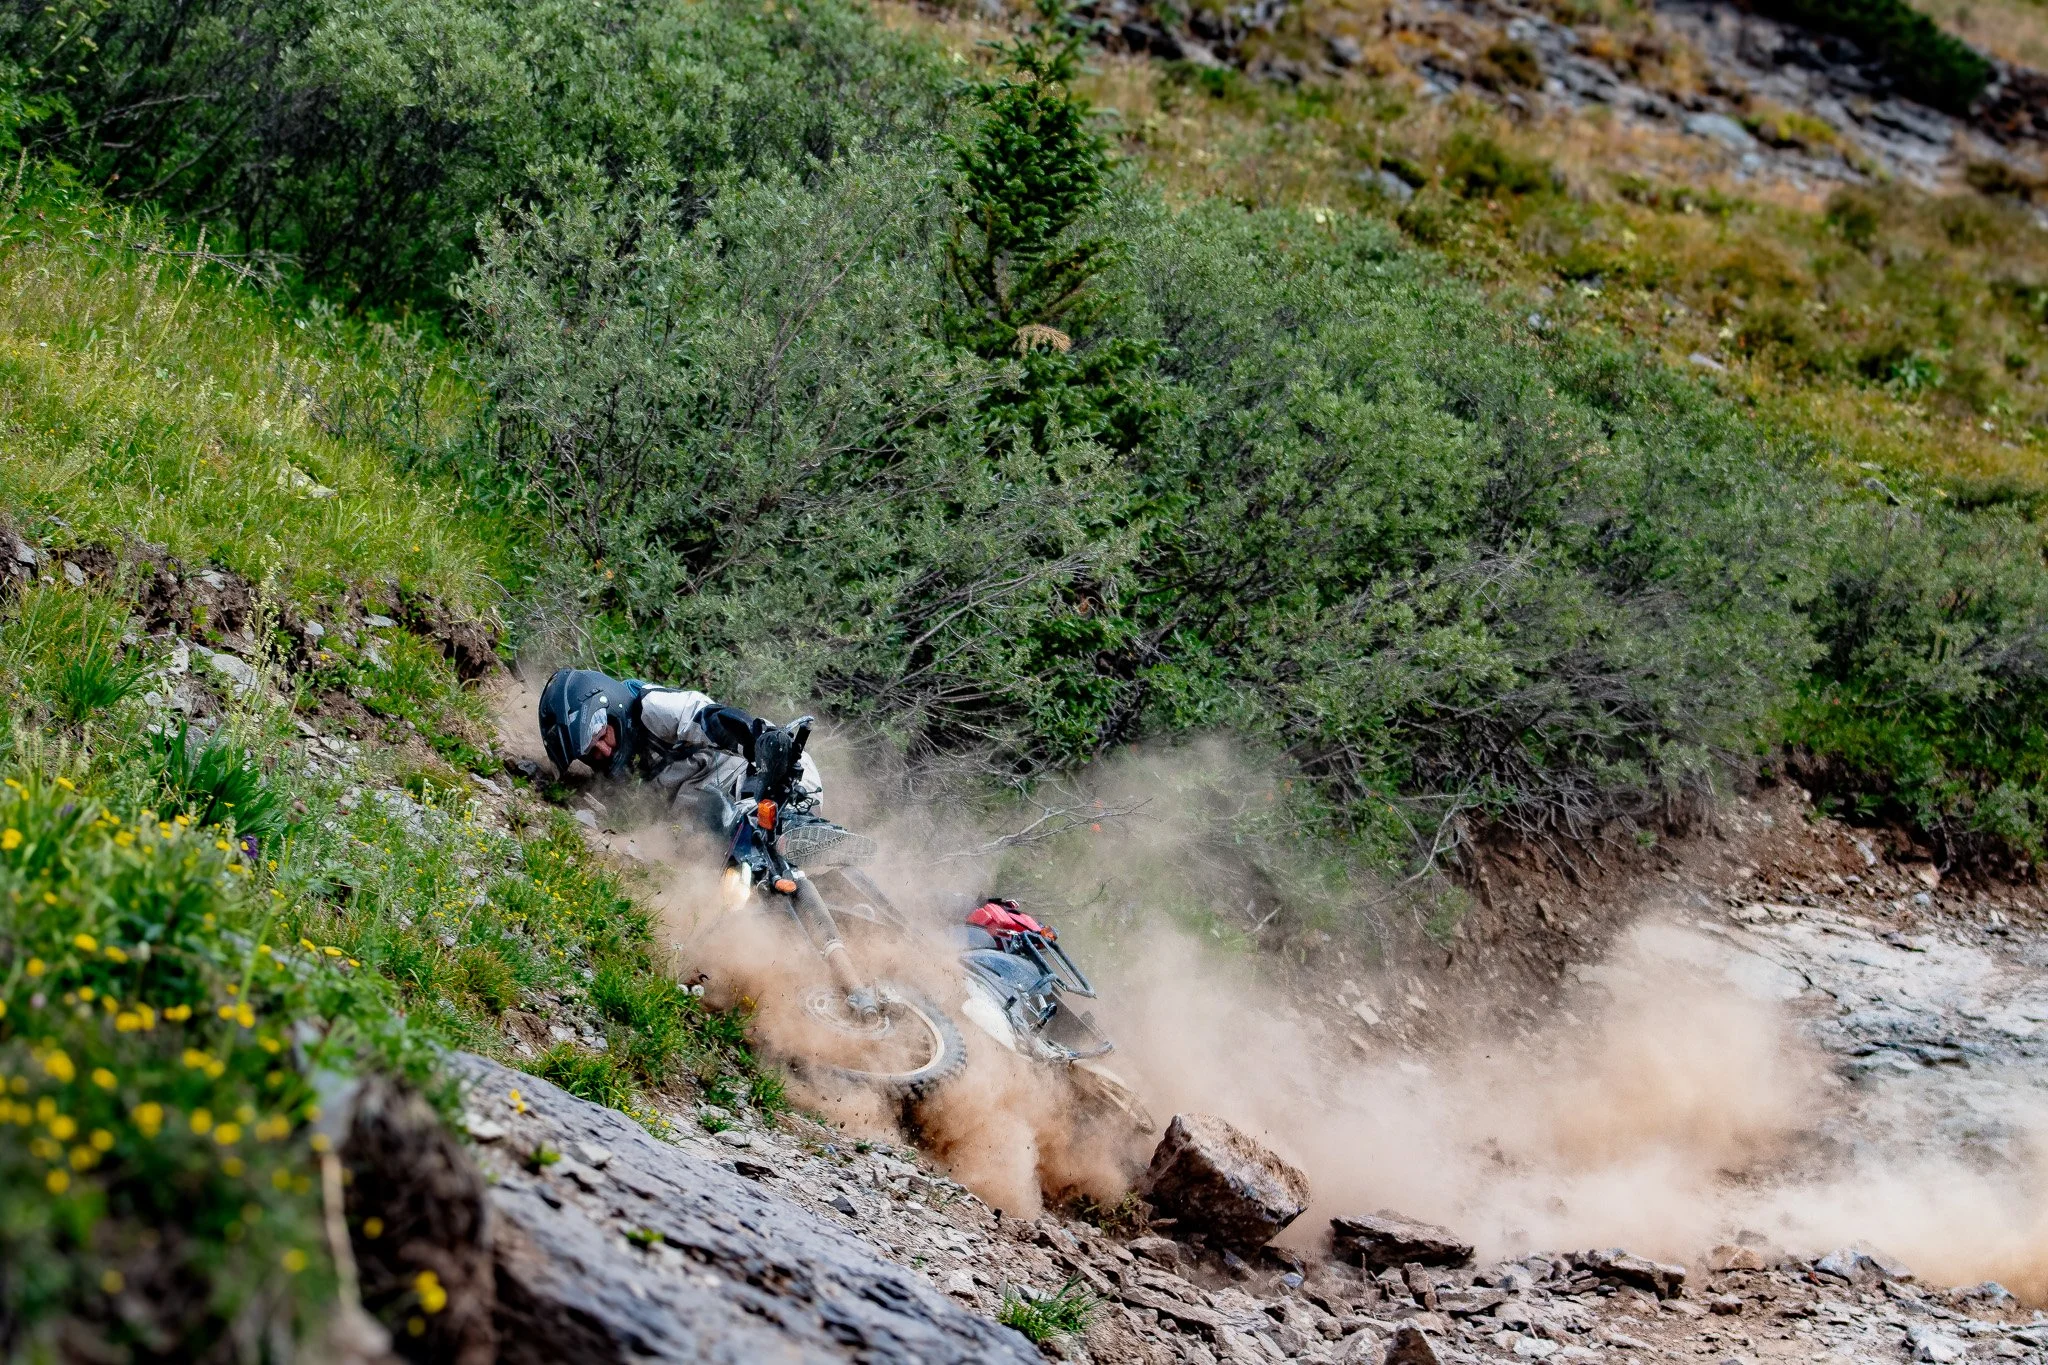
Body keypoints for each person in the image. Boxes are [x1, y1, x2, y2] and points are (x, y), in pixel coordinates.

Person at [537, 668, 820, 812]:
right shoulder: (618, 769)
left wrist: (759, 740)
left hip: (777, 777)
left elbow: (711, 719)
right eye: (590, 751)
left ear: (612, 707)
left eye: (601, 734)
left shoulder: (655, 707)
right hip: (722, 818)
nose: (604, 750)